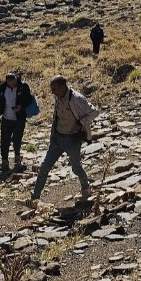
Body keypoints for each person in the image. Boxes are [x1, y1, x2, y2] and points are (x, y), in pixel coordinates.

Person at [30, 75, 98, 205]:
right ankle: (35, 198)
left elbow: (95, 112)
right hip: (57, 139)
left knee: (76, 168)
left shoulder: (76, 98)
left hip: (72, 140)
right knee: (44, 167)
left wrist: (81, 121)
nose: (52, 92)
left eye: (54, 89)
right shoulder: (59, 97)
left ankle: (86, 187)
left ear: (63, 87)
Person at [0, 73, 35, 174]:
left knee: (17, 140)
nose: (12, 85)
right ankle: (5, 163)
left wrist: (20, 106)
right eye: (10, 84)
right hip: (6, 118)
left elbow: (28, 100)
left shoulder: (23, 87)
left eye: (13, 83)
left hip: (19, 118)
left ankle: (17, 161)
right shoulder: (3, 87)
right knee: (4, 141)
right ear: (7, 82)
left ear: (16, 79)